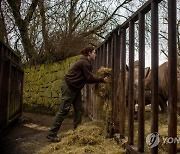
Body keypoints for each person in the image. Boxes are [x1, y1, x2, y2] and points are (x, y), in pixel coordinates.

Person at [46, 46, 108, 142]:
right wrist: (102, 80)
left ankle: (77, 131)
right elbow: (89, 78)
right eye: (94, 52)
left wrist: (97, 79)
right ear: (89, 53)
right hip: (69, 86)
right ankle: (51, 134)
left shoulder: (85, 62)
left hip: (75, 88)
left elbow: (87, 78)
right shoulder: (84, 62)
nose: (95, 54)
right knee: (63, 111)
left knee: (79, 109)